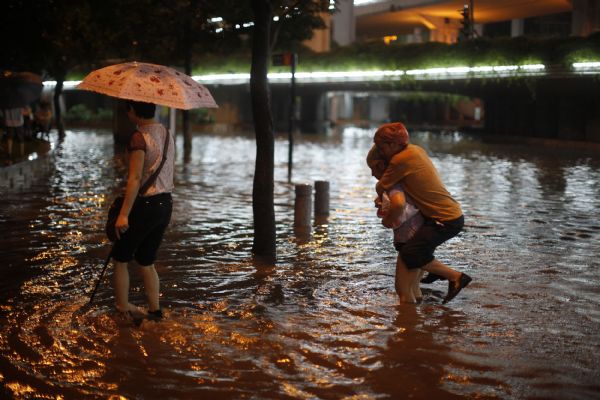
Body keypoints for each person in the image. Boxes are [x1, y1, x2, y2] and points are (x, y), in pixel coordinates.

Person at [374, 122, 471, 304]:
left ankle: (456, 277)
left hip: (444, 219)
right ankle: (429, 285)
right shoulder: (416, 150)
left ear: (393, 145)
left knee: (410, 254)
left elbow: (384, 186)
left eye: (381, 148)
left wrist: (383, 209)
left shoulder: (399, 160)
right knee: (415, 255)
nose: (380, 152)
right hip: (446, 215)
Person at [111, 100, 174, 320]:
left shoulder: (138, 137)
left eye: (127, 109)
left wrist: (123, 214)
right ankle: (155, 311)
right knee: (147, 260)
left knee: (120, 257)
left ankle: (123, 309)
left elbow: (135, 178)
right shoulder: (166, 133)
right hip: (165, 204)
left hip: (146, 205)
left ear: (132, 110)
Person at [367, 145, 425, 303]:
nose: (372, 174)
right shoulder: (406, 179)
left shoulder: (393, 184)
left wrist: (387, 221)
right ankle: (420, 320)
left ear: (380, 165)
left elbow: (399, 206)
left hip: (408, 239)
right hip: (420, 234)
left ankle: (408, 324)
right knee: (413, 286)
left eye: (372, 168)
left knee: (402, 289)